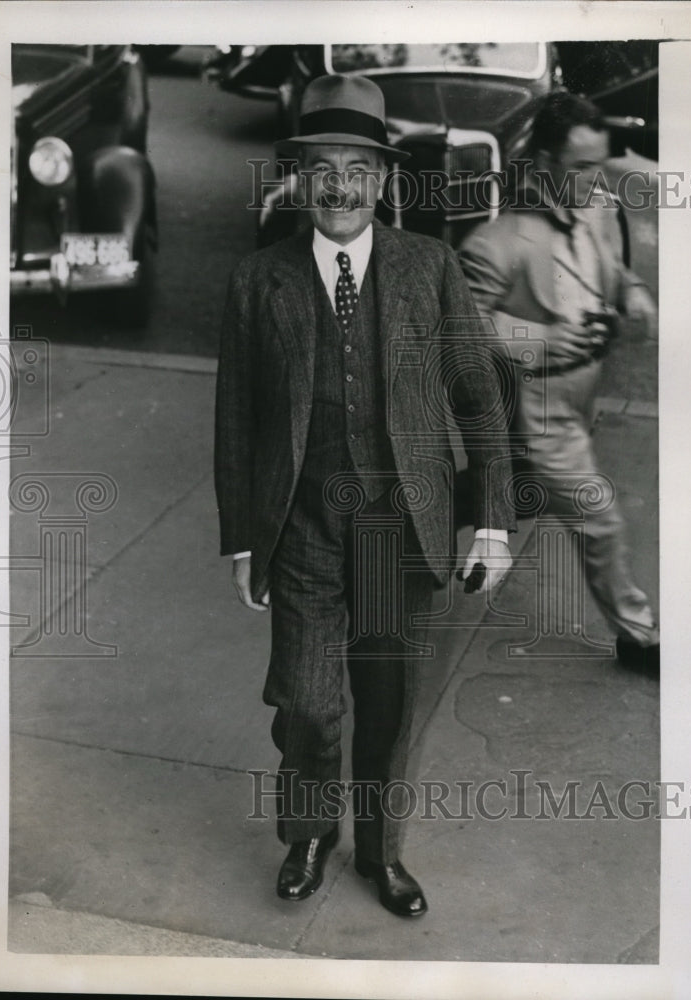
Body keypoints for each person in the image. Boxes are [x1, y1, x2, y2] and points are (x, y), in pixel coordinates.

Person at [214, 74, 515, 918]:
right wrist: (241, 537)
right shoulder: (258, 280)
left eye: (356, 167)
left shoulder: (429, 266)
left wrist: (491, 517)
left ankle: (380, 856)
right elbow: (235, 416)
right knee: (308, 703)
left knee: (384, 705)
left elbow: (478, 392)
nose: (339, 185)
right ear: (301, 182)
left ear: (382, 181)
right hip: (301, 527)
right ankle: (311, 832)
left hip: (396, 529)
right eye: (322, 168)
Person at [459, 90, 660, 675]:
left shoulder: (595, 205)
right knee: (599, 516)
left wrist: (634, 301)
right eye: (581, 167)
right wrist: (539, 339)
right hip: (542, 408)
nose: (597, 180)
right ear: (545, 162)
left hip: (585, 396)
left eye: (601, 164)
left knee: (500, 490)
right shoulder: (498, 241)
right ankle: (638, 636)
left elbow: (614, 272)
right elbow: (460, 327)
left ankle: (417, 520)